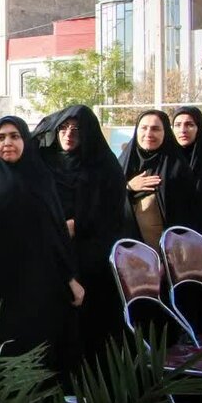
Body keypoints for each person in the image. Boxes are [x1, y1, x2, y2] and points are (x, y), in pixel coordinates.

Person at [0, 117, 84, 384]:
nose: (7, 142)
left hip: (33, 290)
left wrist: (69, 278)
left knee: (31, 362)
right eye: (0, 138)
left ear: (26, 141)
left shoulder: (40, 180)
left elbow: (54, 235)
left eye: (14, 136)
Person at [33, 105, 126, 368]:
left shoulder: (104, 165)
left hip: (91, 257)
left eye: (77, 129)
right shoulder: (44, 162)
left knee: (89, 326)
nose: (69, 134)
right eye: (63, 128)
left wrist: (79, 224)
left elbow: (112, 212)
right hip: (52, 251)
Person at [119, 110, 197, 247]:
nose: (148, 134)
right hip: (126, 251)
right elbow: (106, 204)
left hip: (164, 251)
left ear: (165, 132)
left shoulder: (177, 169)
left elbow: (185, 217)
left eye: (155, 129)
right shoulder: (123, 164)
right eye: (144, 128)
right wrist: (128, 187)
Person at [171, 106, 202, 235]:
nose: (183, 130)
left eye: (189, 125)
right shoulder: (167, 158)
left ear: (199, 127)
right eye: (177, 125)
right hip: (172, 232)